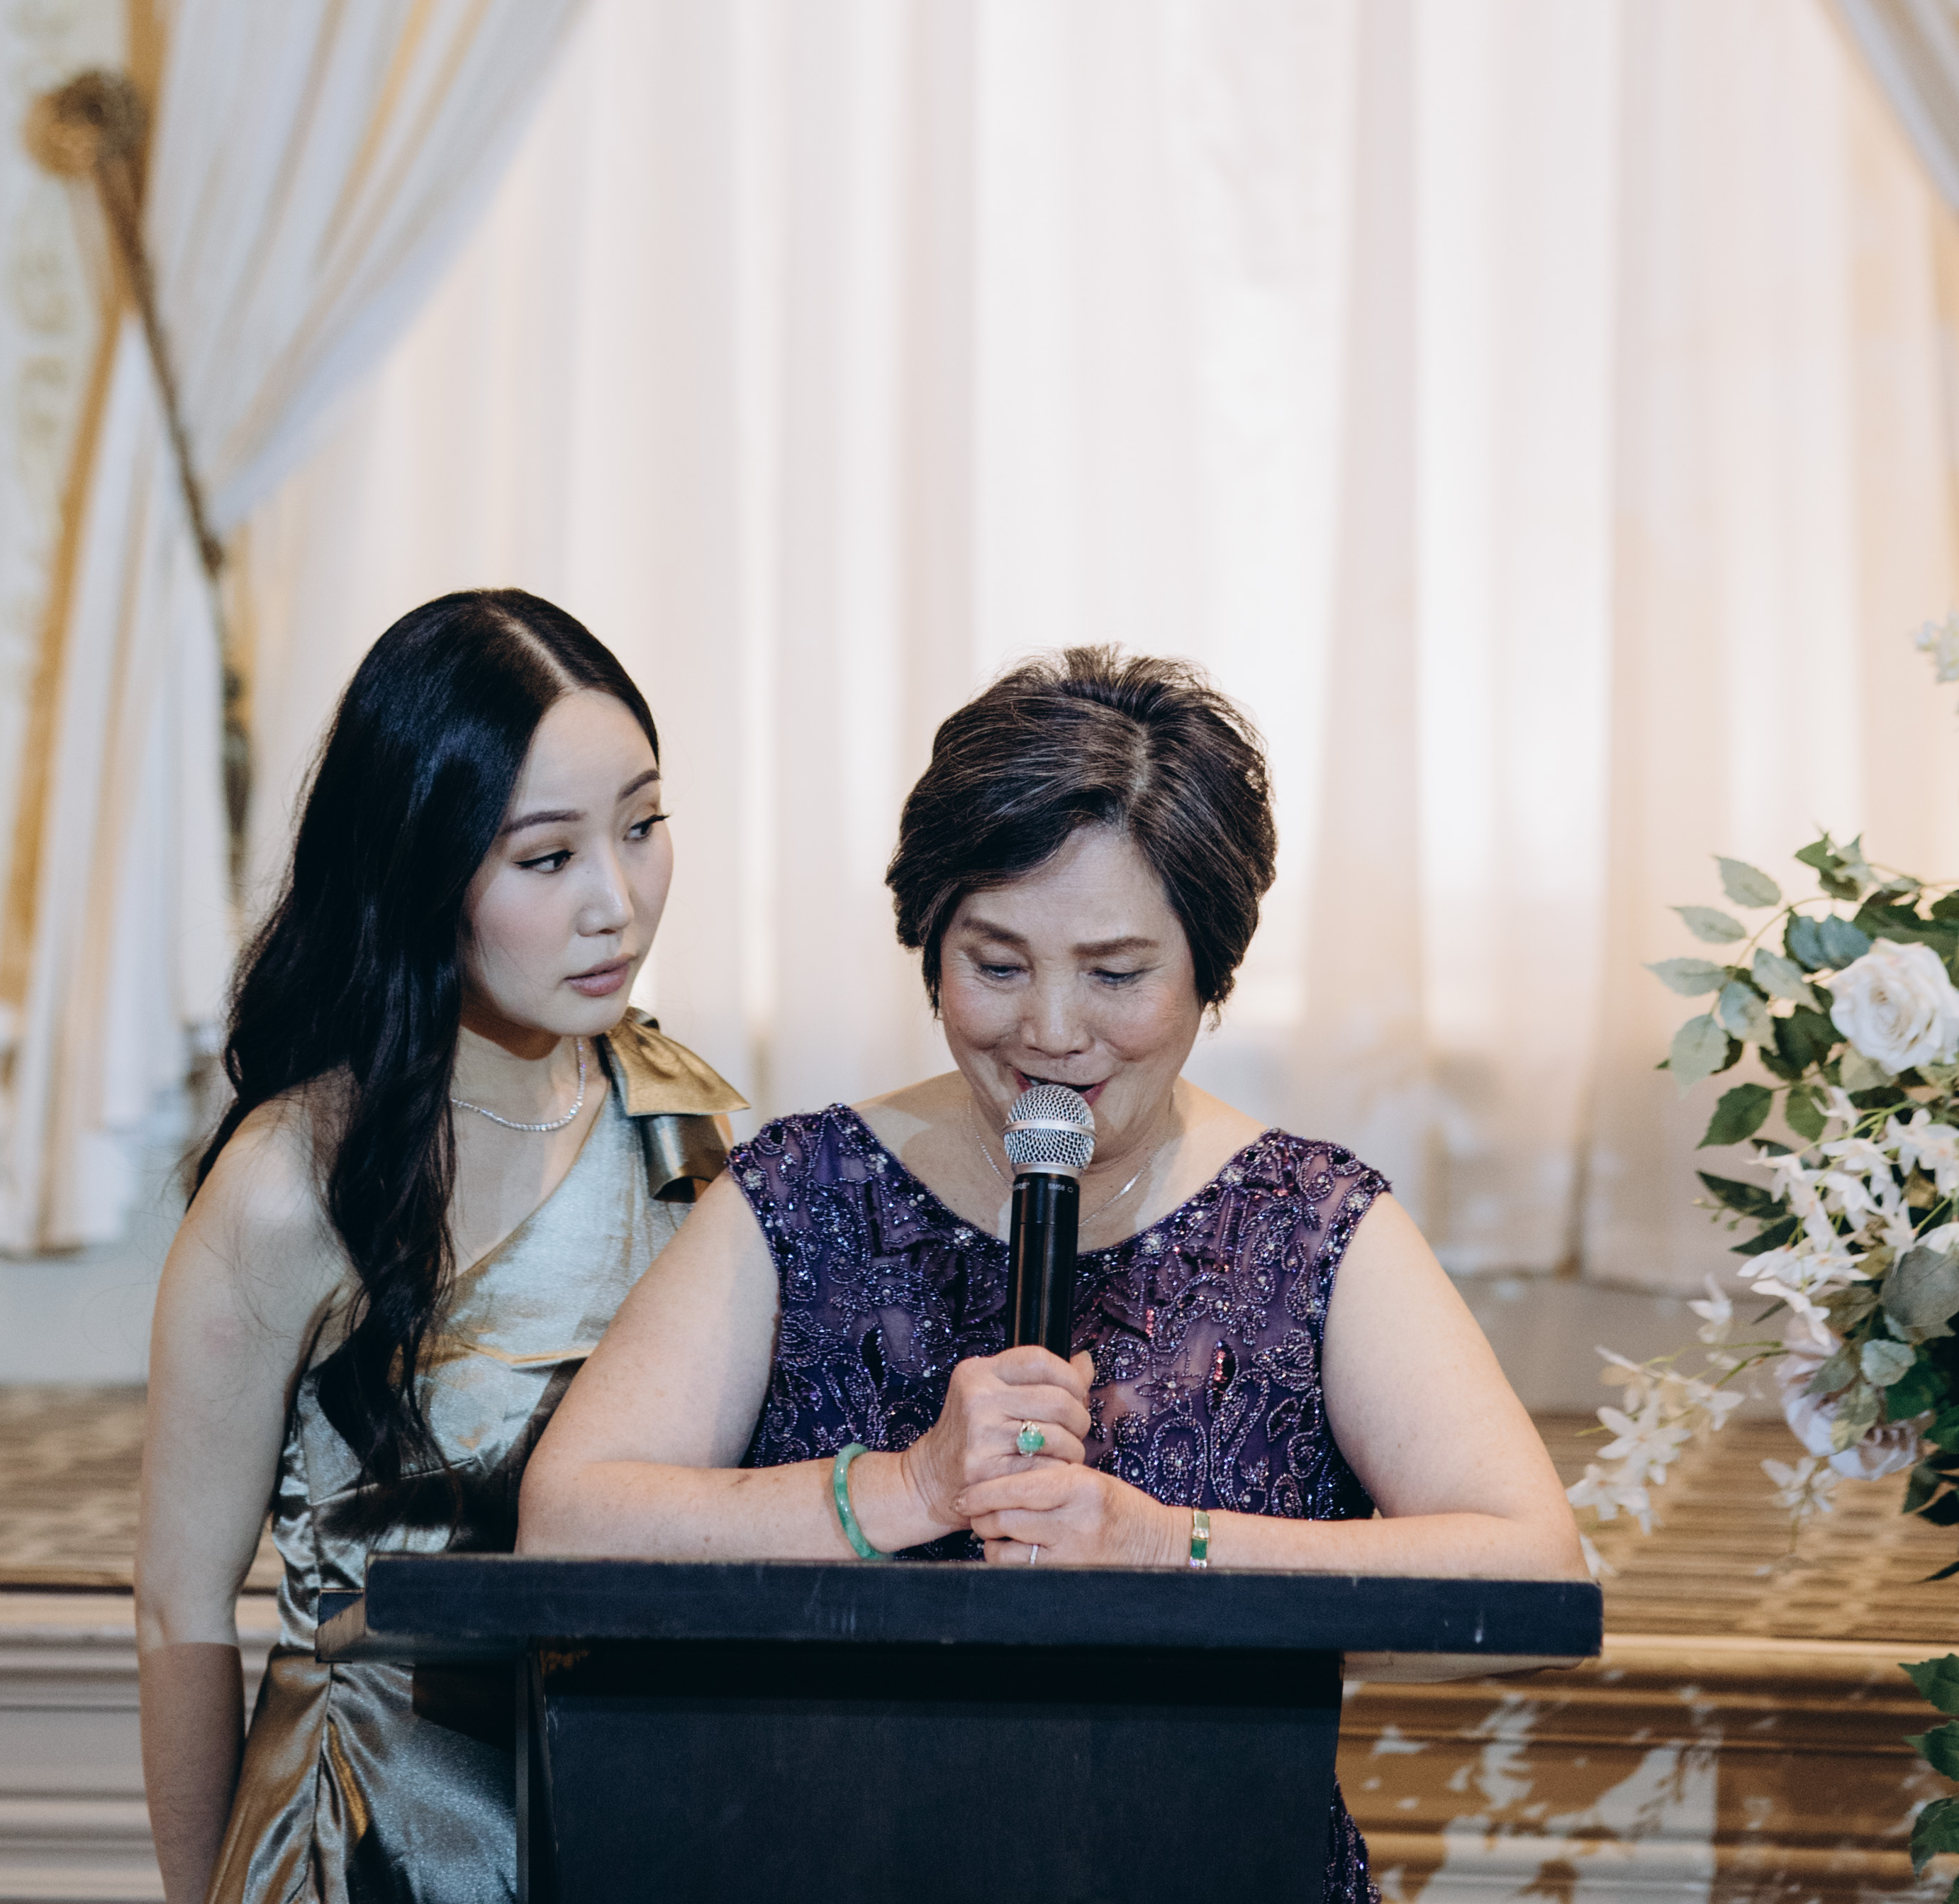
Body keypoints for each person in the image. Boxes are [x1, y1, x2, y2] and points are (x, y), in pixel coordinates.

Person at [520, 649, 1584, 1903]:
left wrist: (1160, 1546)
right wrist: (909, 1487)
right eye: (997, 963)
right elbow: (567, 1521)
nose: (1052, 1031)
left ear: (1210, 968)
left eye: (1116, 973)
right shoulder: (801, 1191)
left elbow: (1531, 1567)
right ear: (929, 946)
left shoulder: (1308, 1222)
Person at [135, 588, 743, 1904]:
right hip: (370, 1842)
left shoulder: (690, 1130)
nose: (617, 902)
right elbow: (181, 1603)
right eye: (547, 857)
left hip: (634, 1816)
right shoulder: (292, 1183)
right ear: (419, 864)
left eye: (642, 827)